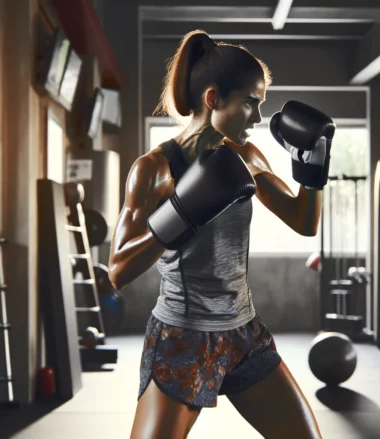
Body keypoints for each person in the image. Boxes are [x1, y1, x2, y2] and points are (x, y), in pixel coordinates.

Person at [108, 29, 333, 439]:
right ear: (213, 99)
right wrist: (182, 211)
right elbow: (118, 269)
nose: (259, 118)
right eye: (251, 103)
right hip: (181, 336)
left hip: (243, 331)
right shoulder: (155, 168)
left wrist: (312, 172)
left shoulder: (245, 156)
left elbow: (304, 222)